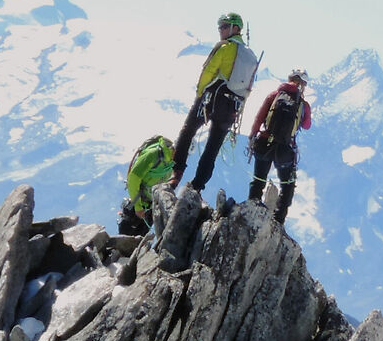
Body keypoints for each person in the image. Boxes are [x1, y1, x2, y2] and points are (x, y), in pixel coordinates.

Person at [168, 12, 259, 192]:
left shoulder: (225, 47)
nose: (220, 30)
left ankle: (176, 174)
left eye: (224, 26)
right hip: (231, 108)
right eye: (220, 27)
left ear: (235, 28)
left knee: (187, 132)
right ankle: (197, 186)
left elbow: (208, 71)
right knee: (212, 148)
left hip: (211, 99)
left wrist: (199, 94)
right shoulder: (250, 56)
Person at [247, 69, 312, 223]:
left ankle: (251, 210)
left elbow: (259, 118)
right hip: (285, 149)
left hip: (265, 143)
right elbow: (307, 125)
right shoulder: (303, 105)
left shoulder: (274, 95)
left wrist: (252, 136)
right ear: (303, 84)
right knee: (288, 185)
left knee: (258, 179)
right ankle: (278, 218)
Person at [119, 133, 177, 235]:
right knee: (126, 234)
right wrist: (138, 207)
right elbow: (133, 179)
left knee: (141, 237)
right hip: (138, 204)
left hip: (150, 207)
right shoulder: (153, 154)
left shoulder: (169, 162)